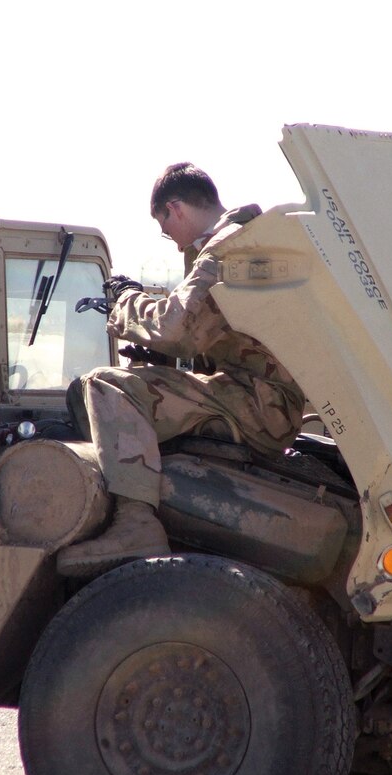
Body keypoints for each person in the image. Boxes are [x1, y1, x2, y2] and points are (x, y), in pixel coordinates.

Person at [57, 162, 305, 575]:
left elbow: (175, 325)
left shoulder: (226, 246)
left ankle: (136, 524)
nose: (171, 243)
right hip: (261, 400)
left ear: (176, 209)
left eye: (165, 228)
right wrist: (161, 359)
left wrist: (126, 304)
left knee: (104, 385)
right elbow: (212, 338)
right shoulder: (247, 239)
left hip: (255, 403)